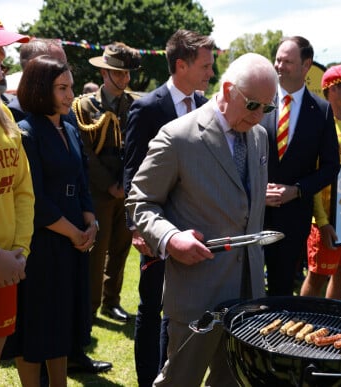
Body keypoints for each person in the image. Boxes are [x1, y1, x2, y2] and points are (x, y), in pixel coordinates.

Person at [126, 52, 277, 387]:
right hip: (197, 291)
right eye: (253, 105)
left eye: (267, 108)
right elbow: (141, 201)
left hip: (248, 291)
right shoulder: (178, 136)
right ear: (227, 89)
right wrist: (169, 238)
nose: (258, 116)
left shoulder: (259, 137)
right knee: (180, 379)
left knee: (235, 380)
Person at [123, 30, 214, 387]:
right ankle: (149, 379)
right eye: (205, 65)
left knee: (181, 309)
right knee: (151, 306)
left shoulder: (207, 107)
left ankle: (172, 373)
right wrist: (137, 228)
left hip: (195, 228)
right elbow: (132, 172)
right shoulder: (147, 108)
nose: (211, 72)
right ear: (181, 65)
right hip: (157, 230)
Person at [4, 55, 97, 387]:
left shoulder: (70, 129)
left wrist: (90, 222)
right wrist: (74, 232)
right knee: (37, 325)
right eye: (62, 88)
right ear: (41, 89)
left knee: (62, 323)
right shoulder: (27, 132)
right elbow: (36, 199)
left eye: (71, 87)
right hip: (42, 244)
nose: (70, 95)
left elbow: (82, 180)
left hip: (72, 243)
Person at [261, 36, 340, 297]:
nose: (279, 66)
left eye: (287, 62)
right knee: (242, 287)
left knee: (281, 291)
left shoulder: (321, 111)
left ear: (306, 66)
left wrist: (297, 190)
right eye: (278, 60)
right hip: (251, 212)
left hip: (292, 218)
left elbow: (331, 167)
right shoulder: (258, 101)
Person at [72, 42, 141, 323]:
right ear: (104, 73)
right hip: (98, 191)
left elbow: (138, 148)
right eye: (118, 74)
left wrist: (125, 184)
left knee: (121, 248)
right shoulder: (85, 106)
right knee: (96, 251)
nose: (124, 79)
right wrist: (110, 186)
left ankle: (111, 301)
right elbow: (86, 152)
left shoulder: (134, 104)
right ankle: (89, 308)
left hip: (126, 189)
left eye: (126, 74)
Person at [299, 64, 341, 300]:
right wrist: (322, 221)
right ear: (332, 90)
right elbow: (315, 176)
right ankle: (300, 325)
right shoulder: (319, 125)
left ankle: (331, 329)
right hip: (326, 218)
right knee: (317, 276)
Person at [0, 19, 33, 377]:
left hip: (6, 268)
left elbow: (22, 189)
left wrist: (19, 251)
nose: (2, 58)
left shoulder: (6, 115)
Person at [7, 38, 68, 122]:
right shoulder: (15, 113)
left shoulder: (68, 111)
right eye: (55, 63)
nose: (64, 70)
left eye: (64, 64)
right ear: (31, 67)